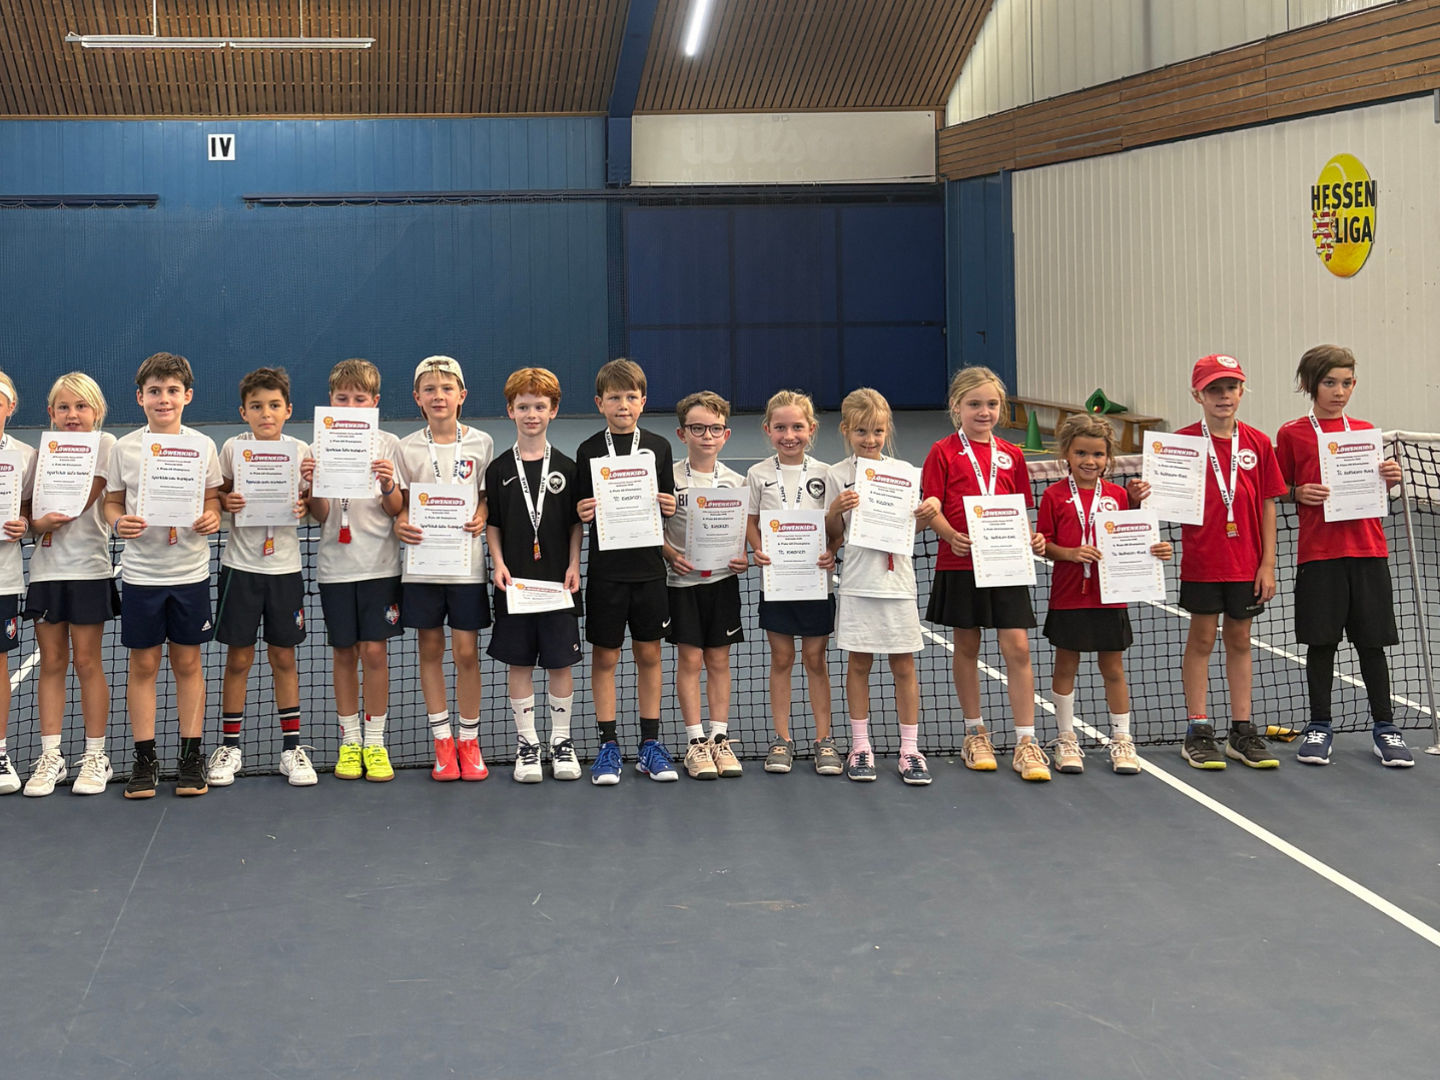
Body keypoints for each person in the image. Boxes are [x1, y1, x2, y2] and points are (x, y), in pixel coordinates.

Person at [1276, 345, 1412, 766]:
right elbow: (1276, 486)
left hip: (1369, 552)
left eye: (1346, 383)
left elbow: (1376, 492)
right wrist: (1297, 492)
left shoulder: (1366, 431)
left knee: (1373, 644)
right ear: (1309, 384)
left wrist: (1390, 480)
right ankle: (1319, 727)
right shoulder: (1292, 433)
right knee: (1322, 644)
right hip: (1319, 556)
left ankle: (1385, 729)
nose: (1339, 391)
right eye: (1330, 383)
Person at [919, 366, 1050, 781]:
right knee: (967, 646)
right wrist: (949, 534)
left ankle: (1026, 741)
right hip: (960, 564)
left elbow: (1019, 512)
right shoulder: (942, 452)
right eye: (974, 404)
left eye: (992, 404)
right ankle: (974, 731)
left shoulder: (1011, 455)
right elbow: (931, 507)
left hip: (1006, 565)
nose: (984, 411)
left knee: (1019, 649)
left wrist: (1032, 538)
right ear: (956, 407)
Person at [103, 352, 222, 798]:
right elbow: (112, 502)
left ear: (187, 396)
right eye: (155, 391)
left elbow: (213, 501)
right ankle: (144, 758)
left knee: (189, 663)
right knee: (144, 664)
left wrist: (212, 518)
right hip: (141, 576)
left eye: (173, 391)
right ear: (140, 398)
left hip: (189, 573)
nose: (164, 398)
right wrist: (118, 522)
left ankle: (191, 757)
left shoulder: (203, 447)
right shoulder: (124, 448)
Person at [1037, 413, 1170, 776]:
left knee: (1113, 668)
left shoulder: (1117, 495)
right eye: (1081, 453)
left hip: (1111, 597)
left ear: (1107, 457)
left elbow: (1135, 538)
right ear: (1066, 453)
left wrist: (1156, 548)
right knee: (1066, 666)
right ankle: (1066, 737)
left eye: (1097, 455)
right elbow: (1043, 545)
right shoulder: (1053, 495)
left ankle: (1122, 739)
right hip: (1068, 596)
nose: (1089, 461)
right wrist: (1070, 553)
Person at [1176, 354, 1287, 770]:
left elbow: (1268, 505)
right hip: (1203, 562)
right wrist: (1142, 492)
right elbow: (1162, 500)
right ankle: (1198, 729)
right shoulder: (1182, 444)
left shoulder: (1257, 443)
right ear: (1197, 395)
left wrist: (1268, 564)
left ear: (1242, 392)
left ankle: (1241, 730)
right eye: (1214, 389)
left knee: (1240, 640)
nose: (1224, 396)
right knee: (1202, 639)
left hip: (1247, 563)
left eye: (1231, 387)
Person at [574, 358, 678, 784]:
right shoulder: (587, 451)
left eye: (631, 397)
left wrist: (669, 505)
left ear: (643, 402)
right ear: (600, 403)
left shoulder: (658, 447)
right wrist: (583, 511)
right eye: (614, 397)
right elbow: (581, 514)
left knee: (650, 654)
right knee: (606, 656)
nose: (623, 404)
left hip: (650, 571)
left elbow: (667, 506)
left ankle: (650, 744)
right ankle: (607, 745)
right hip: (606, 573)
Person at [210, 367, 315, 787]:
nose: (265, 413)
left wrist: (306, 503)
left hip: (285, 570)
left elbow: (310, 497)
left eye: (274, 405)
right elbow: (218, 494)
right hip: (241, 568)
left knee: (283, 657)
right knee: (238, 658)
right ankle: (230, 746)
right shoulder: (233, 448)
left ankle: (292, 750)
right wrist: (226, 499)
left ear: (288, 410)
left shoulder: (301, 449)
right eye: (256, 406)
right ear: (244, 411)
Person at [305, 359, 405, 781]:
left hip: (380, 566)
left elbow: (396, 509)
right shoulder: (315, 448)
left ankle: (376, 741)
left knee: (375, 653)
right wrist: (311, 487)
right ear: (330, 401)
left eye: (359, 399)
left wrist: (388, 485)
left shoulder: (389, 445)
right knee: (343, 654)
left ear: (374, 403)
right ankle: (349, 741)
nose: (350, 404)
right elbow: (319, 515)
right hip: (335, 568)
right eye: (342, 398)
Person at [824, 388, 931, 784]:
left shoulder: (904, 474)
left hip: (898, 582)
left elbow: (909, 527)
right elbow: (832, 535)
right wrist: (835, 510)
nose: (870, 439)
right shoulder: (836, 474)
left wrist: (925, 514)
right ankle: (860, 747)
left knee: (904, 664)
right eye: (861, 431)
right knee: (859, 663)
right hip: (857, 581)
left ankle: (910, 749)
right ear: (846, 430)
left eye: (878, 431)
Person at [395, 355, 494, 782]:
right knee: (430, 651)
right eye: (430, 389)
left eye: (447, 388)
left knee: (466, 653)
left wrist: (483, 512)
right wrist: (400, 520)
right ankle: (442, 740)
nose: (439, 396)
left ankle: (469, 741)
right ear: (418, 398)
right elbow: (399, 505)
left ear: (462, 396)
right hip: (421, 569)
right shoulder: (406, 447)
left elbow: (486, 496)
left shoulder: (483, 443)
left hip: (466, 569)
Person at [485, 367, 584, 782]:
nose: (531, 414)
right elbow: (494, 524)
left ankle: (561, 742)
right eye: (523, 406)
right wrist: (498, 563)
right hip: (516, 586)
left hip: (559, 587)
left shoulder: (568, 467)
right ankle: (527, 744)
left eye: (539, 406)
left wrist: (576, 563)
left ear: (553, 411)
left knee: (561, 664)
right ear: (510, 410)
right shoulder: (498, 469)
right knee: (520, 664)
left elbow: (576, 523)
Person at [23, 374, 119, 796]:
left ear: (97, 412)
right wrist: (33, 524)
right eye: (63, 407)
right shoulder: (37, 454)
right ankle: (50, 756)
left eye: (81, 407)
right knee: (52, 662)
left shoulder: (106, 446)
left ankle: (96, 755)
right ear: (50, 413)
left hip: (89, 570)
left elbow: (81, 497)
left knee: (87, 662)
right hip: (46, 571)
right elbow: (26, 511)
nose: (72, 415)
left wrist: (42, 516)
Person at [745, 390, 841, 776]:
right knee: (781, 659)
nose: (789, 435)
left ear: (811, 429)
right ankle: (781, 740)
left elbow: (834, 525)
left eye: (797, 427)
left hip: (816, 583)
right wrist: (757, 549)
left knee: (816, 660)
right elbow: (750, 522)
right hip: (777, 583)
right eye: (781, 427)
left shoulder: (826, 474)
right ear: (768, 430)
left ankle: (824, 740)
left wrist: (832, 548)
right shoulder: (758, 475)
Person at [664, 391, 750, 781]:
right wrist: (668, 553)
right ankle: (695, 743)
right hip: (680, 584)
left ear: (726, 434)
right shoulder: (669, 479)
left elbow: (742, 538)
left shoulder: (736, 482)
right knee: (690, 661)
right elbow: (654, 529)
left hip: (722, 583)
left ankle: (719, 738)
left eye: (715, 429)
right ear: (683, 434)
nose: (707, 436)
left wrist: (743, 557)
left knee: (719, 661)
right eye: (697, 428)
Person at [0, 373, 36, 795]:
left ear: (11, 408)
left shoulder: (26, 457)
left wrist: (24, 523)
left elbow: (30, 512)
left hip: (3, 579)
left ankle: (0, 751)